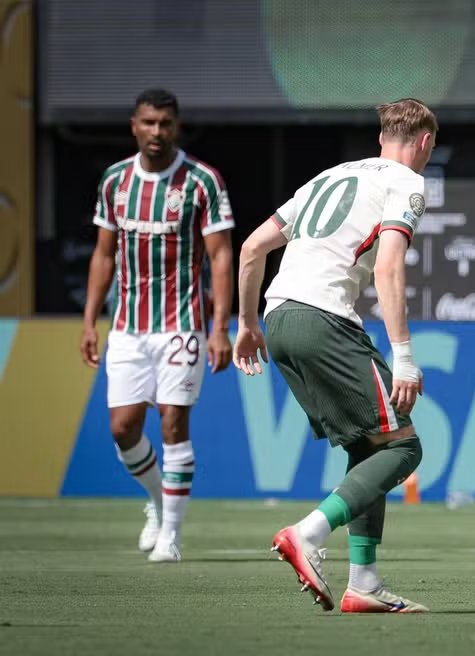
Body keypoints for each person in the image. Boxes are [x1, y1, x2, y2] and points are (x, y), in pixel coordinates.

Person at [232, 98, 434, 614]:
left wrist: (247, 325)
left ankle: (363, 583)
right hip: (323, 318)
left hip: (278, 319)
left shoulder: (329, 176)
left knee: (370, 446)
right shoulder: (408, 182)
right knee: (404, 448)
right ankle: (308, 533)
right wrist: (404, 356)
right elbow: (388, 267)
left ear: (381, 138)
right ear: (426, 142)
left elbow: (252, 248)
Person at [80, 88, 235, 562]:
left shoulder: (202, 181)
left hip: (182, 323)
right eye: (148, 122)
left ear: (176, 127)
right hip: (127, 324)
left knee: (172, 420)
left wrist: (220, 327)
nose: (157, 132)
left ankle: (171, 535)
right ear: (134, 125)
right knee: (123, 428)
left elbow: (221, 256)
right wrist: (89, 321)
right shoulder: (115, 181)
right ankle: (157, 501)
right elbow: (103, 254)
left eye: (165, 123)